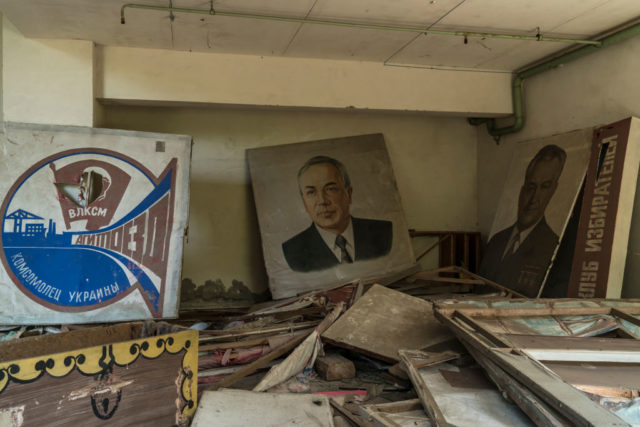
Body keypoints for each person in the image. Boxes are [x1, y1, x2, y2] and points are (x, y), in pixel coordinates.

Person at [479, 144, 567, 297]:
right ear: (522, 190)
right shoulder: (496, 241)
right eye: (531, 187)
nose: (534, 199)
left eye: (544, 187)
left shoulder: (553, 247)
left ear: (553, 191)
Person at [282, 155, 392, 272]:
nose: (322, 201)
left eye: (331, 189)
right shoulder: (292, 251)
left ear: (348, 194)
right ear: (304, 202)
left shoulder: (385, 232)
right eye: (311, 192)